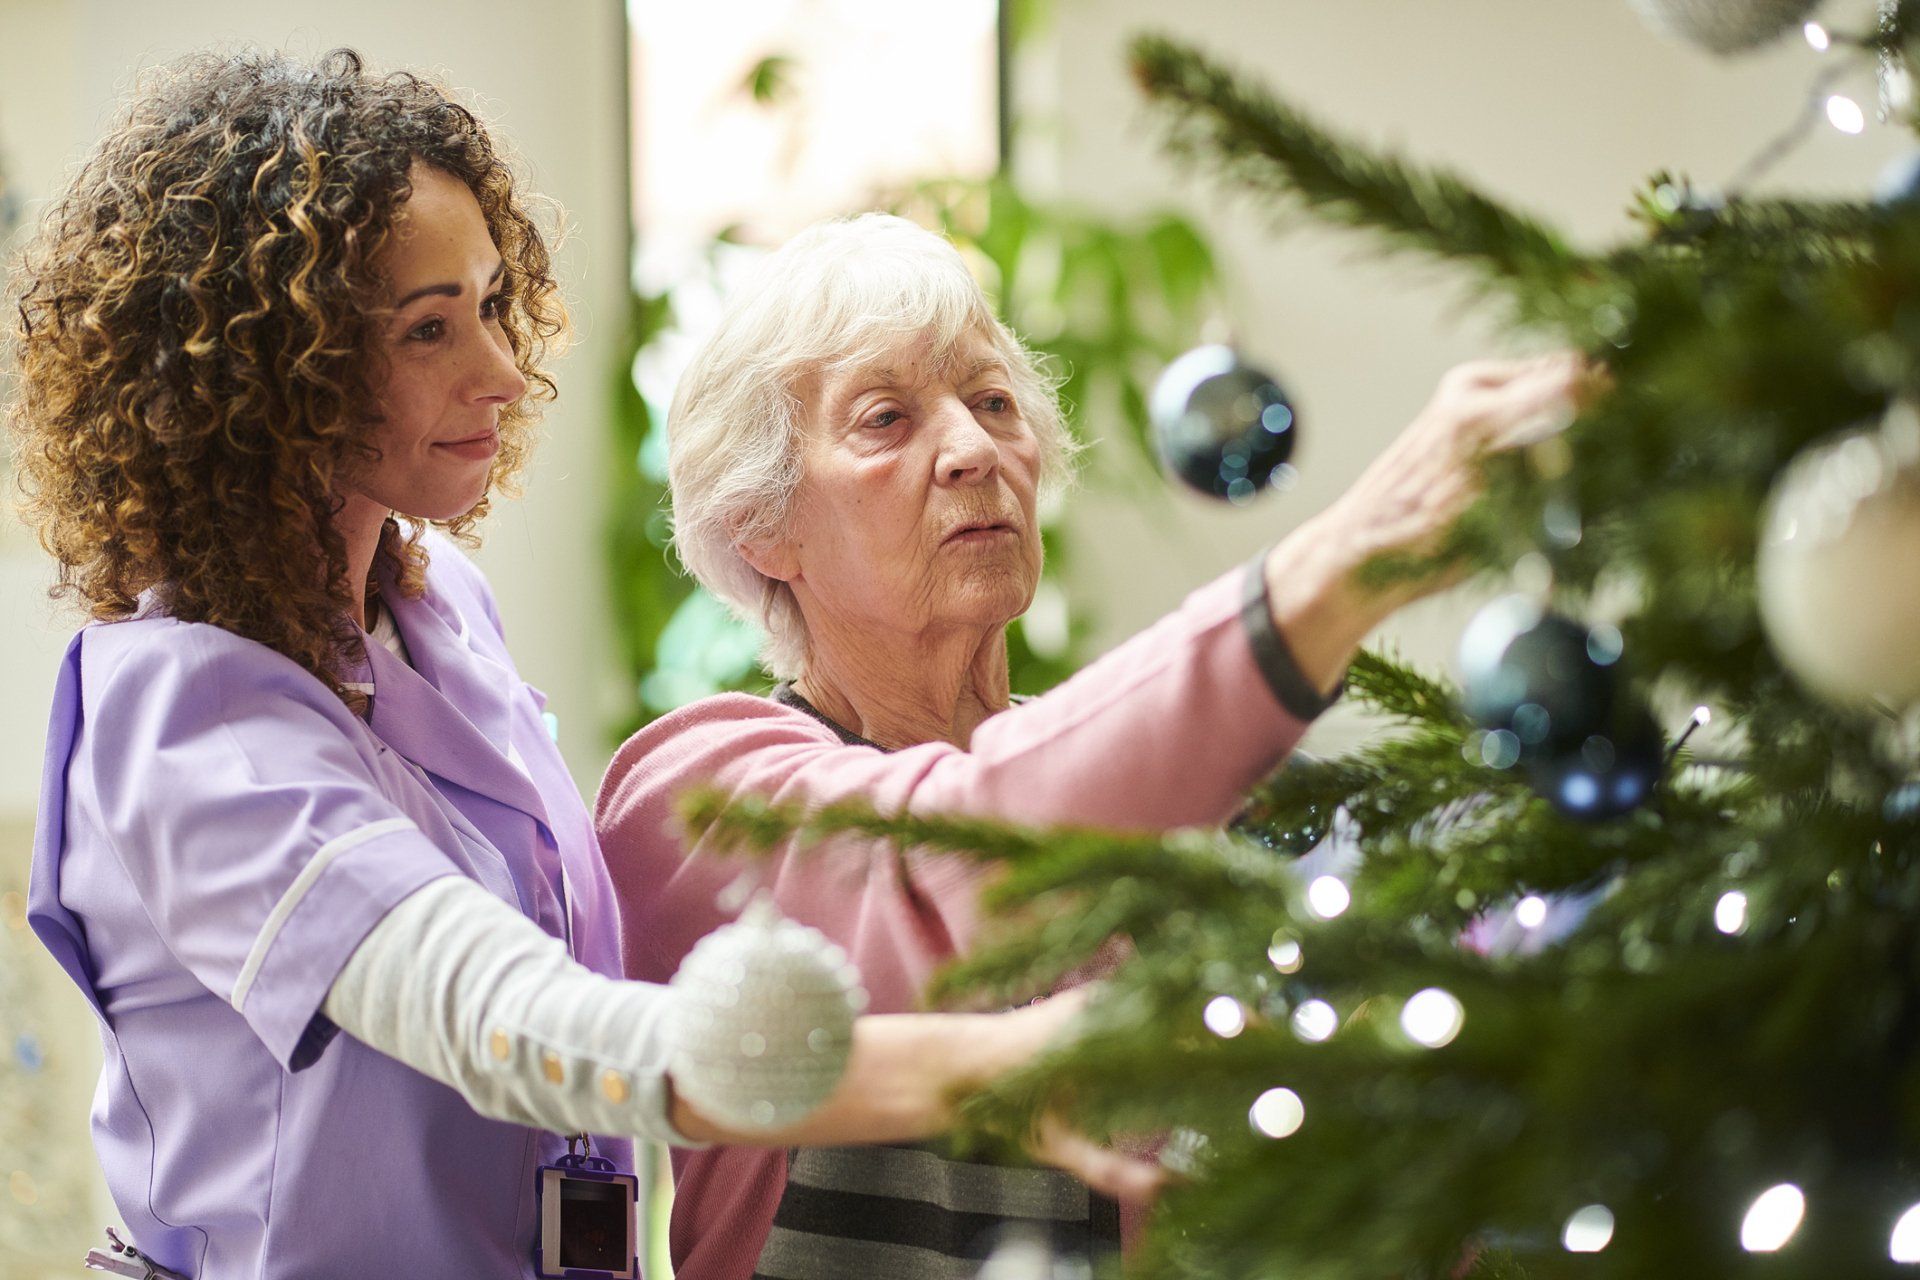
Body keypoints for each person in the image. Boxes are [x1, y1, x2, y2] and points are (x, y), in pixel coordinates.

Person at [8, 51, 1151, 1280]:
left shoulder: (444, 617)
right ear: (273, 370)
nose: (502, 371)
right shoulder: (192, 712)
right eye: (430, 328)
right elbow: (508, 1018)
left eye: (495, 304)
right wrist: (993, 1063)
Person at [595, 213, 1591, 1279]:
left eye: (991, 401)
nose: (976, 450)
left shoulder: (1151, 788)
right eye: (886, 419)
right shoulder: (695, 788)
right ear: (763, 524)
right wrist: (1345, 562)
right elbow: (962, 863)